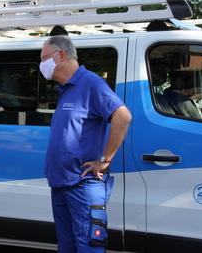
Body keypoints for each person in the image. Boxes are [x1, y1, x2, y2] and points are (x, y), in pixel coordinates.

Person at [40, 36, 132, 253]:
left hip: (82, 185)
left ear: (61, 55)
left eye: (44, 58)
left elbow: (123, 116)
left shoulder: (91, 83)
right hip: (62, 184)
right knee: (68, 247)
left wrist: (104, 160)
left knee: (88, 247)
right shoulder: (66, 88)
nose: (41, 64)